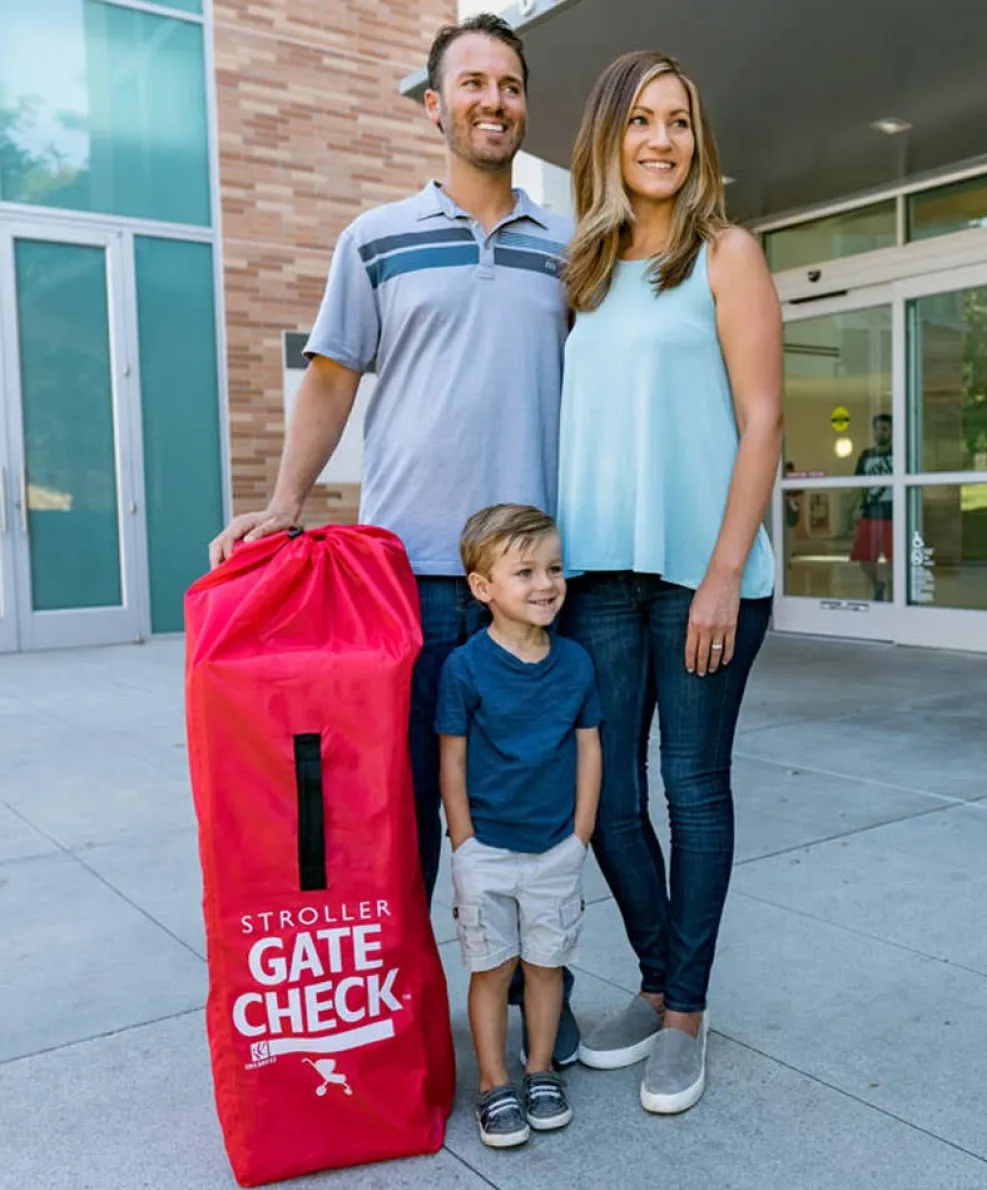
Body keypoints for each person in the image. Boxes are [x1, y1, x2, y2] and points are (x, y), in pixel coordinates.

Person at [206, 13, 582, 1065]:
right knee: (406, 816)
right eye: (472, 84)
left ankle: (530, 1002)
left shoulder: (567, 244)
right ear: (435, 104)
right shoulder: (373, 237)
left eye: (508, 84)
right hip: (406, 582)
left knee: (533, 801)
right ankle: (403, 1018)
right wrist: (285, 502)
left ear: (523, 105)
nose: (492, 101)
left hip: (532, 585)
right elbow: (331, 376)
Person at [555, 51, 783, 1114]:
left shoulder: (725, 253)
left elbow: (763, 419)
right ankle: (657, 975)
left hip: (704, 574)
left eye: (678, 121)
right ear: (608, 137)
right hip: (597, 575)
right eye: (641, 120)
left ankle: (683, 1011)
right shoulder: (584, 271)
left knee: (692, 788)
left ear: (697, 142)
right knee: (603, 801)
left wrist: (721, 573)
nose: (660, 139)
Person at [436, 505, 601, 1148]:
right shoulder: (465, 668)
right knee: (489, 969)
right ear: (483, 588)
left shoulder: (577, 663)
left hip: (556, 847)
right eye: (525, 571)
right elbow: (452, 756)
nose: (545, 584)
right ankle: (493, 1083)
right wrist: (464, 841)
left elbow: (589, 747)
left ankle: (539, 1072)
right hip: (487, 852)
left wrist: (580, 833)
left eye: (554, 568)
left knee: (545, 967)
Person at [850, 412, 893, 601]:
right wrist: (855, 507)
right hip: (870, 513)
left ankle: (895, 598)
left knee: (895, 559)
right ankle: (878, 584)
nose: (880, 433)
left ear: (892, 431)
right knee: (864, 558)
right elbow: (858, 483)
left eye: (884, 429)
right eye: (876, 429)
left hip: (893, 514)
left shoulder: (899, 454)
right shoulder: (866, 456)